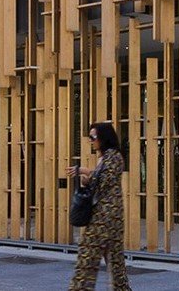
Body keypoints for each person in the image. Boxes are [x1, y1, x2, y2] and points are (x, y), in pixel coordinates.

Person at [68, 121, 131, 291]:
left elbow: (104, 181)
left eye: (93, 137)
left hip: (105, 217)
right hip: (106, 216)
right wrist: (87, 177)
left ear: (103, 137)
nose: (91, 140)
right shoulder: (106, 157)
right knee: (115, 262)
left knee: (88, 258)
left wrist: (85, 172)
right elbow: (99, 183)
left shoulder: (114, 156)